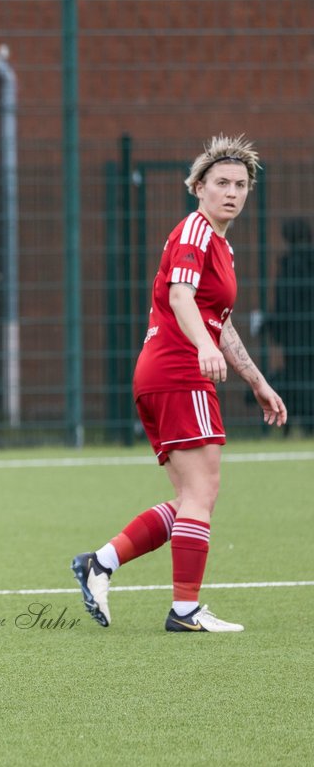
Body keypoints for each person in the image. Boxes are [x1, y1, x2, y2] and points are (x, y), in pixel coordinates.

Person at [72, 135, 286, 633]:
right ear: (199, 188)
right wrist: (204, 349)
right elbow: (181, 295)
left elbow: (221, 322)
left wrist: (255, 380)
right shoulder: (194, 230)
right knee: (203, 490)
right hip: (178, 369)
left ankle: (99, 563)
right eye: (221, 183)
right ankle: (185, 611)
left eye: (240, 184)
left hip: (165, 371)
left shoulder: (219, 243)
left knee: (192, 497)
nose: (231, 192)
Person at [268, 218, 314, 433]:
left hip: (295, 334)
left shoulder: (289, 264)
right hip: (306, 330)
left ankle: (303, 423)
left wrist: (275, 326)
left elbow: (284, 303)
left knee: (298, 377)